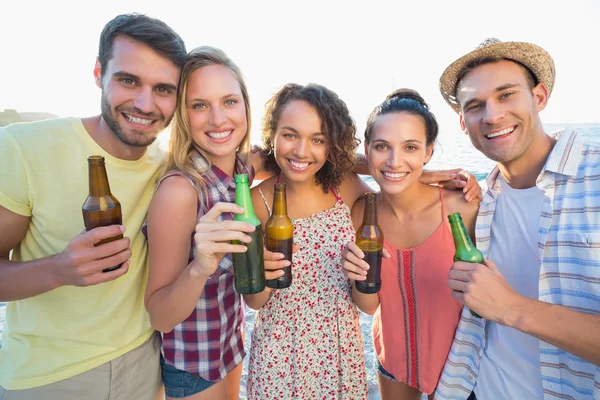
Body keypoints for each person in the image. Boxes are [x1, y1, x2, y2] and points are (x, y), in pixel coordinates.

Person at [0, 13, 186, 400]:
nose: (144, 103)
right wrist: (58, 270)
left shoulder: (168, 168)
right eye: (128, 80)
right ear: (100, 72)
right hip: (49, 378)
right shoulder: (23, 148)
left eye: (163, 89)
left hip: (145, 365)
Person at [435, 38, 600, 400]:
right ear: (463, 123)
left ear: (538, 97)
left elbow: (503, 307)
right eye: (476, 106)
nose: (492, 115)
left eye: (506, 95)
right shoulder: (481, 197)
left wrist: (511, 308)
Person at [143, 46, 271, 400]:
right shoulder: (181, 191)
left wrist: (392, 171)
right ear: (183, 116)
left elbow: (303, 155)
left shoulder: (241, 169)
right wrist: (200, 267)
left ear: (246, 106)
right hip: (193, 366)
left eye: (229, 101)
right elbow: (159, 316)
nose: (218, 119)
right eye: (199, 105)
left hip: (231, 346)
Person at [340, 89, 479, 400]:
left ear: (428, 152)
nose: (394, 160)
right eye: (382, 147)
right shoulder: (361, 212)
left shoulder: (464, 205)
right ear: (367, 149)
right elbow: (368, 307)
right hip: (392, 361)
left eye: (410, 147)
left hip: (460, 366)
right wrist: (358, 277)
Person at [245, 82, 373, 399]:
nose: (302, 151)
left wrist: (429, 174)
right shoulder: (257, 202)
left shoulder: (345, 186)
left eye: (318, 139)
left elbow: (398, 192)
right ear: (271, 135)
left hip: (340, 351)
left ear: (332, 145)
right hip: (279, 355)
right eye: (290, 135)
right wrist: (261, 270)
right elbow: (254, 302)